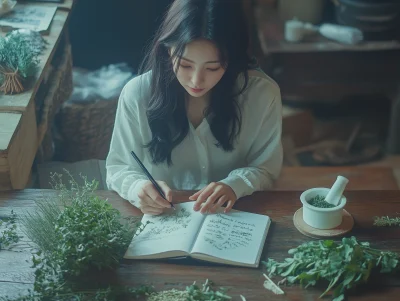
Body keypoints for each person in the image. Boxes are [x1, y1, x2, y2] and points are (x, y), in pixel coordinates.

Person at [106, 0, 283, 216]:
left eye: (212, 67)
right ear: (167, 50)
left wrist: (235, 184)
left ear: (232, 58)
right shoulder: (137, 94)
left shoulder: (261, 95)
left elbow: (266, 167)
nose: (196, 81)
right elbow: (118, 167)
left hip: (235, 214)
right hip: (165, 217)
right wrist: (137, 188)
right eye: (185, 65)